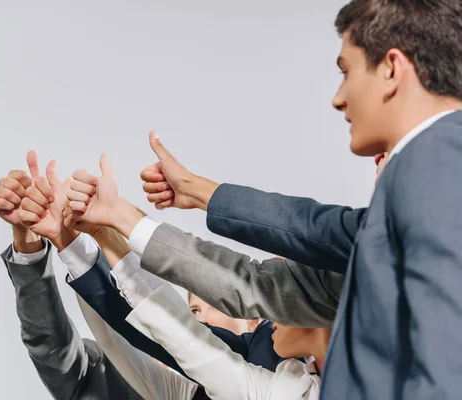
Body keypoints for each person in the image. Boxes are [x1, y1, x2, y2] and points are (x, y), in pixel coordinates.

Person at [136, 0, 462, 398]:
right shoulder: (428, 170)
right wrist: (195, 190)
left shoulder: (437, 156)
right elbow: (313, 227)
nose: (338, 98)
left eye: (346, 70)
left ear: (391, 68)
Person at [63, 156, 331, 399]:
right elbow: (180, 338)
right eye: (193, 308)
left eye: (277, 294)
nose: (270, 311)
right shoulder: (288, 383)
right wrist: (99, 234)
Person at [0, 151, 199, 399]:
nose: (202, 319)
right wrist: (38, 242)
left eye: (214, 308)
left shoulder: (243, 378)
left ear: (252, 323)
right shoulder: (108, 371)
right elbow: (53, 350)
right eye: (194, 311)